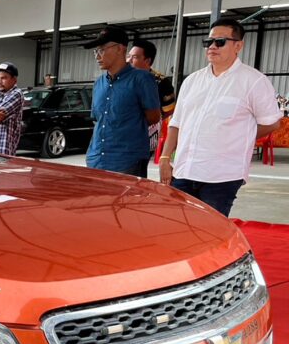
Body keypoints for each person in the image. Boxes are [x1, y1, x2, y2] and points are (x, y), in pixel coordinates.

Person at [159, 17, 282, 216]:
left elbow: (271, 123)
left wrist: (239, 136)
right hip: (184, 170)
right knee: (178, 224)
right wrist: (165, 158)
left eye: (220, 42)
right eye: (208, 42)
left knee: (209, 228)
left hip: (222, 176)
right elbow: (177, 123)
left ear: (238, 46)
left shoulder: (253, 81)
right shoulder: (192, 81)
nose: (212, 47)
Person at [83, 25, 161, 177]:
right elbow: (98, 119)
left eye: (102, 50)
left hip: (127, 162)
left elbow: (153, 116)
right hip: (96, 160)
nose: (97, 56)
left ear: (120, 49)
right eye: (96, 51)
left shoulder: (142, 79)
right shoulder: (99, 84)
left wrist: (129, 126)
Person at [127, 39, 176, 154]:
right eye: (128, 56)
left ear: (147, 60)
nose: (129, 60)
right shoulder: (122, 78)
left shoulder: (161, 82)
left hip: (144, 136)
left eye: (134, 57)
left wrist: (150, 121)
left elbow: (169, 110)